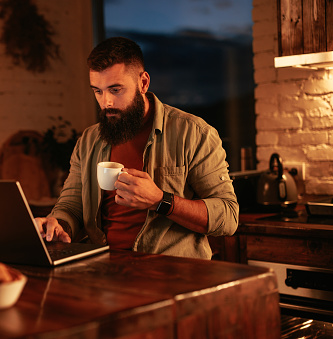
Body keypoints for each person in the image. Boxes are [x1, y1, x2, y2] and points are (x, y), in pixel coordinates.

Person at [34, 37, 239, 259]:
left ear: (143, 83)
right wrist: (58, 223)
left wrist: (160, 201)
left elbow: (228, 218)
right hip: (102, 267)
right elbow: (71, 205)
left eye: (115, 90)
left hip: (172, 272)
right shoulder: (89, 140)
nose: (107, 103)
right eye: (98, 91)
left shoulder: (194, 133)